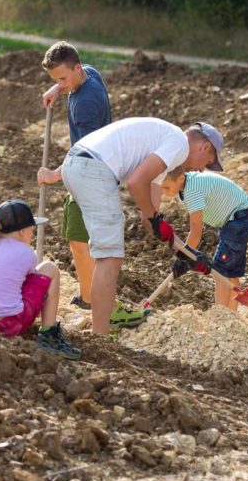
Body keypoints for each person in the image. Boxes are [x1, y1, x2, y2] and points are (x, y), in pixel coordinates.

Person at [37, 117, 225, 336]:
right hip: (94, 170)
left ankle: (100, 329)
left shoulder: (164, 147)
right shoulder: (179, 145)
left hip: (77, 165)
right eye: (208, 162)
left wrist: (184, 251)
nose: (203, 170)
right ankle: (99, 335)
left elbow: (150, 220)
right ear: (204, 147)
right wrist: (153, 217)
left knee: (108, 254)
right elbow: (137, 183)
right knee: (109, 257)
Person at [40, 41, 112, 311]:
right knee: (78, 240)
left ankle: (93, 302)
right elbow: (71, 77)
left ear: (77, 67)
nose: (61, 82)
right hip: (91, 173)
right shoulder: (90, 74)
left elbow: (85, 152)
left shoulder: (85, 104)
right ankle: (90, 296)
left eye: (62, 78)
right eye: (56, 78)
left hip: (92, 175)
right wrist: (58, 87)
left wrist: (53, 175)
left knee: (81, 242)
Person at [0, 199, 80, 360]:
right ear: (21, 232)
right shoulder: (25, 252)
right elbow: (30, 284)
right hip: (8, 324)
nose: (32, 233)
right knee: (49, 269)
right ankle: (49, 335)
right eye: (32, 229)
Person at [161, 168, 248, 311]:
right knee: (230, 270)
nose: (164, 191)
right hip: (240, 215)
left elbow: (196, 230)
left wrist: (184, 256)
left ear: (180, 178)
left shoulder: (192, 191)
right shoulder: (189, 182)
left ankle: (221, 315)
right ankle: (232, 313)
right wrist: (186, 256)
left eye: (167, 187)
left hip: (239, 218)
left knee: (221, 269)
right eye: (162, 187)